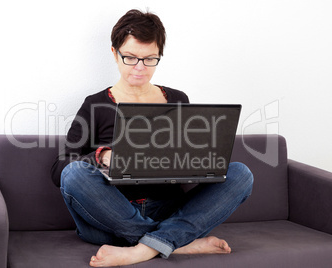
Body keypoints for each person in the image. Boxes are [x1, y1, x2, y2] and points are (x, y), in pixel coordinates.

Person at [51, 9, 253, 267]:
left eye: (149, 59)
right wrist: (102, 157)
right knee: (74, 174)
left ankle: (142, 249)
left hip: (169, 211)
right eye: (130, 58)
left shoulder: (178, 100)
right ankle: (174, 243)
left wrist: (196, 162)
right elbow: (59, 170)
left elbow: (194, 160)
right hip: (111, 220)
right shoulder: (94, 105)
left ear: (159, 56)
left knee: (241, 174)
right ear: (114, 54)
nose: (139, 67)